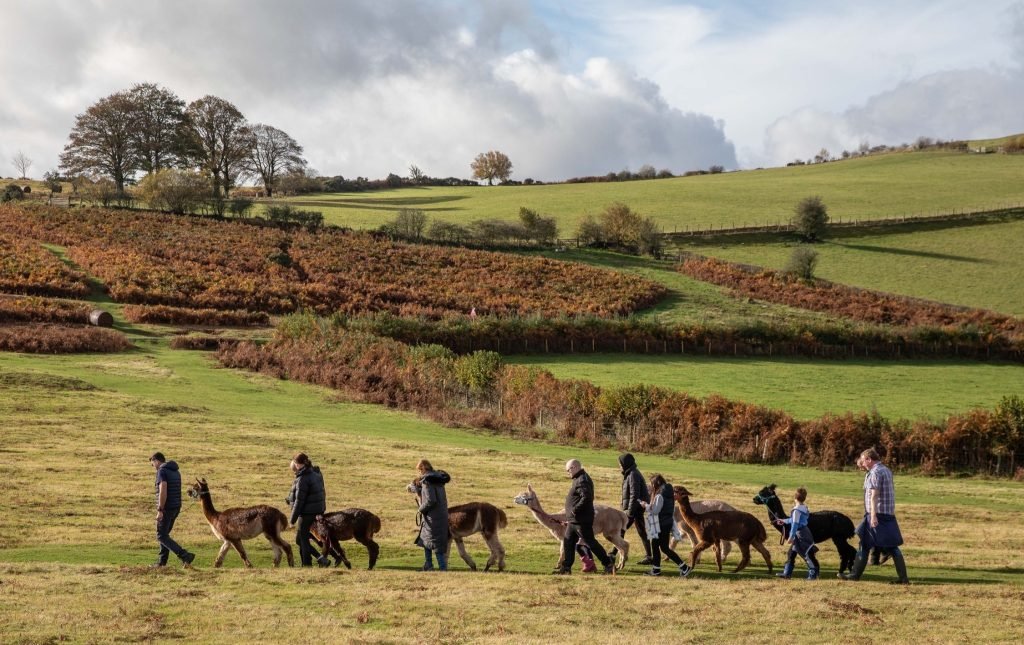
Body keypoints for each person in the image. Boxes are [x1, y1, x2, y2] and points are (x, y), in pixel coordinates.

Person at [842, 448, 910, 584]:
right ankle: (855, 575)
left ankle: (855, 575)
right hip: (887, 513)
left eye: (863, 459)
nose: (862, 462)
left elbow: (874, 496)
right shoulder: (885, 470)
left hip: (877, 514)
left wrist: (873, 516)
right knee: (869, 543)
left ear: (869, 459)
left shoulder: (875, 473)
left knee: (885, 546)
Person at [553, 459, 614, 575]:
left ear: (574, 467)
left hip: (580, 520)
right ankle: (566, 568)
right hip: (574, 520)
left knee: (590, 542)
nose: (568, 473)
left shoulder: (582, 480)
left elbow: (587, 497)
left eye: (568, 470)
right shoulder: (579, 478)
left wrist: (575, 510)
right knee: (568, 541)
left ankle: (608, 564)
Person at [638, 473, 689, 577]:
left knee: (657, 546)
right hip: (667, 523)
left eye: (652, 484)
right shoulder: (668, 493)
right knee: (663, 547)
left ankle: (660, 570)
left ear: (656, 483)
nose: (651, 486)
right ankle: (682, 567)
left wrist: (645, 506)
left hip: (660, 524)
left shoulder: (660, 495)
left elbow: (655, 511)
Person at [149, 452, 195, 567]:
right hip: (176, 507)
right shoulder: (175, 471)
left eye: (152, 463)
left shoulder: (162, 471)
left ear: (157, 461)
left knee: (161, 535)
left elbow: (163, 489)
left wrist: (160, 509)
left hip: (167, 508)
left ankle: (184, 555)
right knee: (165, 535)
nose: (153, 467)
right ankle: (162, 562)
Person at [287, 452, 329, 567]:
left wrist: (292, 520)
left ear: (297, 464)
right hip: (317, 510)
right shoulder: (315, 473)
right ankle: (321, 559)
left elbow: (299, 501)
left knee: (303, 539)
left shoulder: (303, 479)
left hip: (306, 513)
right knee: (299, 540)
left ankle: (307, 564)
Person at [411, 459, 450, 571]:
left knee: (434, 542)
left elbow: (430, 500)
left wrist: (420, 509)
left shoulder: (427, 481)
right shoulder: (438, 479)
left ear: (423, 468)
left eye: (419, 470)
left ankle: (442, 568)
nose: (419, 473)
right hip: (441, 515)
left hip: (432, 517)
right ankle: (429, 565)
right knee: (426, 539)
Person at [775, 487, 819, 580]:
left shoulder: (796, 511)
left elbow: (795, 524)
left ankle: (813, 575)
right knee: (791, 553)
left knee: (806, 554)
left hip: (801, 535)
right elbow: (794, 520)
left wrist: (791, 537)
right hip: (804, 532)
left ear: (795, 498)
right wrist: (784, 521)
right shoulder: (804, 508)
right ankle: (787, 573)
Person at [619, 453, 653, 565]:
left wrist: (629, 512)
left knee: (621, 529)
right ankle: (649, 556)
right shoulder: (631, 473)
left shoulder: (633, 474)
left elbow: (634, 495)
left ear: (625, 464)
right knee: (641, 531)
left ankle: (613, 553)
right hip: (635, 507)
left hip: (635, 508)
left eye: (620, 464)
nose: (619, 466)